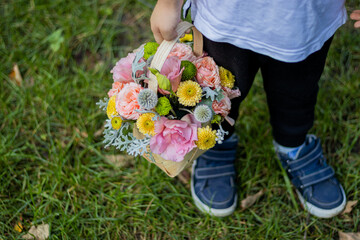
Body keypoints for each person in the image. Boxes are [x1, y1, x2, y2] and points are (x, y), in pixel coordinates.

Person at [150, 0, 359, 218]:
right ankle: (215, 142)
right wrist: (169, 3)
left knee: (297, 93)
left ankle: (293, 145)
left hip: (307, 17)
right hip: (227, 17)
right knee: (217, 91)